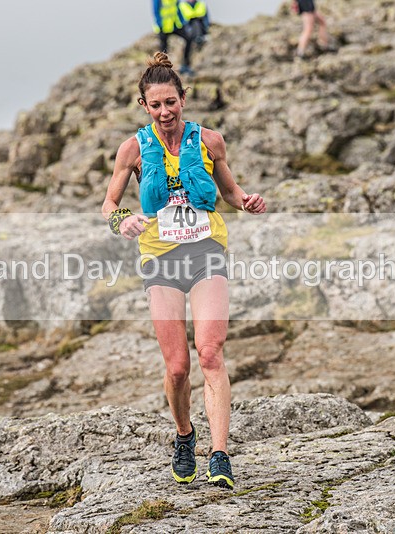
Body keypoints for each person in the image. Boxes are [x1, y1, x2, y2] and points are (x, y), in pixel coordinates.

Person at [102, 52, 266, 490]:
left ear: (183, 98)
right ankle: (184, 436)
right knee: (177, 368)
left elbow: (231, 192)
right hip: (160, 257)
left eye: (171, 102)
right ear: (144, 106)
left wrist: (246, 201)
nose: (165, 112)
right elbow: (109, 205)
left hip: (207, 250)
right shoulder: (133, 149)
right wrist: (124, 221)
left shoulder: (210, 141)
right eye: (155, 105)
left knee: (210, 352)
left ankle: (220, 454)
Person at [153, 0, 195, 75]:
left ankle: (186, 65)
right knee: (163, 50)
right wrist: (159, 25)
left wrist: (183, 22)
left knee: (188, 38)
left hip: (175, 25)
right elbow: (156, 11)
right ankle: (162, 68)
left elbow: (178, 9)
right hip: (164, 27)